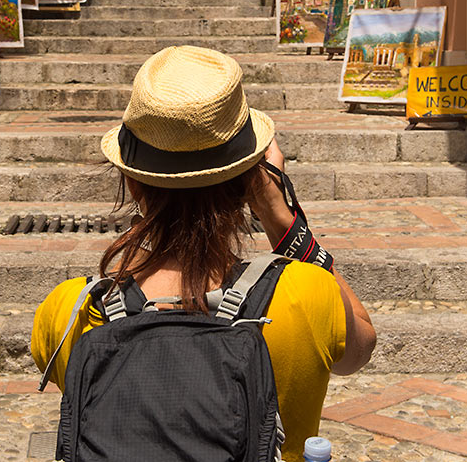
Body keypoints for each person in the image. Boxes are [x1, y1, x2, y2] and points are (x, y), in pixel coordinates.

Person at [32, 45, 376, 461]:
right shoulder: (308, 294)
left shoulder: (68, 312)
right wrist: (280, 217)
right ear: (250, 177)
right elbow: (360, 347)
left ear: (133, 182)